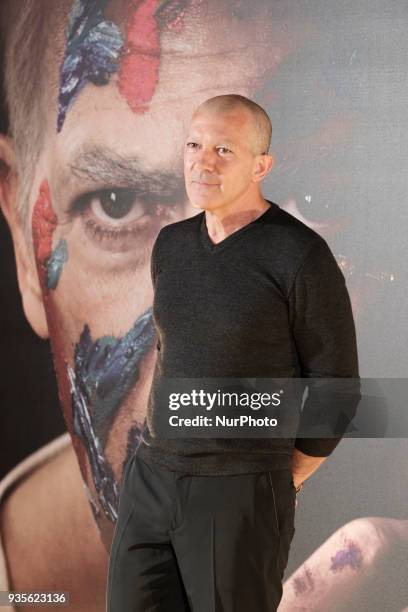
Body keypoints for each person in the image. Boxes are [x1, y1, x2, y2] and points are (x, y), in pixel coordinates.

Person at [106, 93, 360, 611]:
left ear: (261, 164)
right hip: (151, 481)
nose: (202, 161)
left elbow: (336, 389)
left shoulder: (299, 255)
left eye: (224, 149)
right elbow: (171, 352)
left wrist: (278, 477)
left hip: (239, 492)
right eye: (194, 144)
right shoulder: (171, 245)